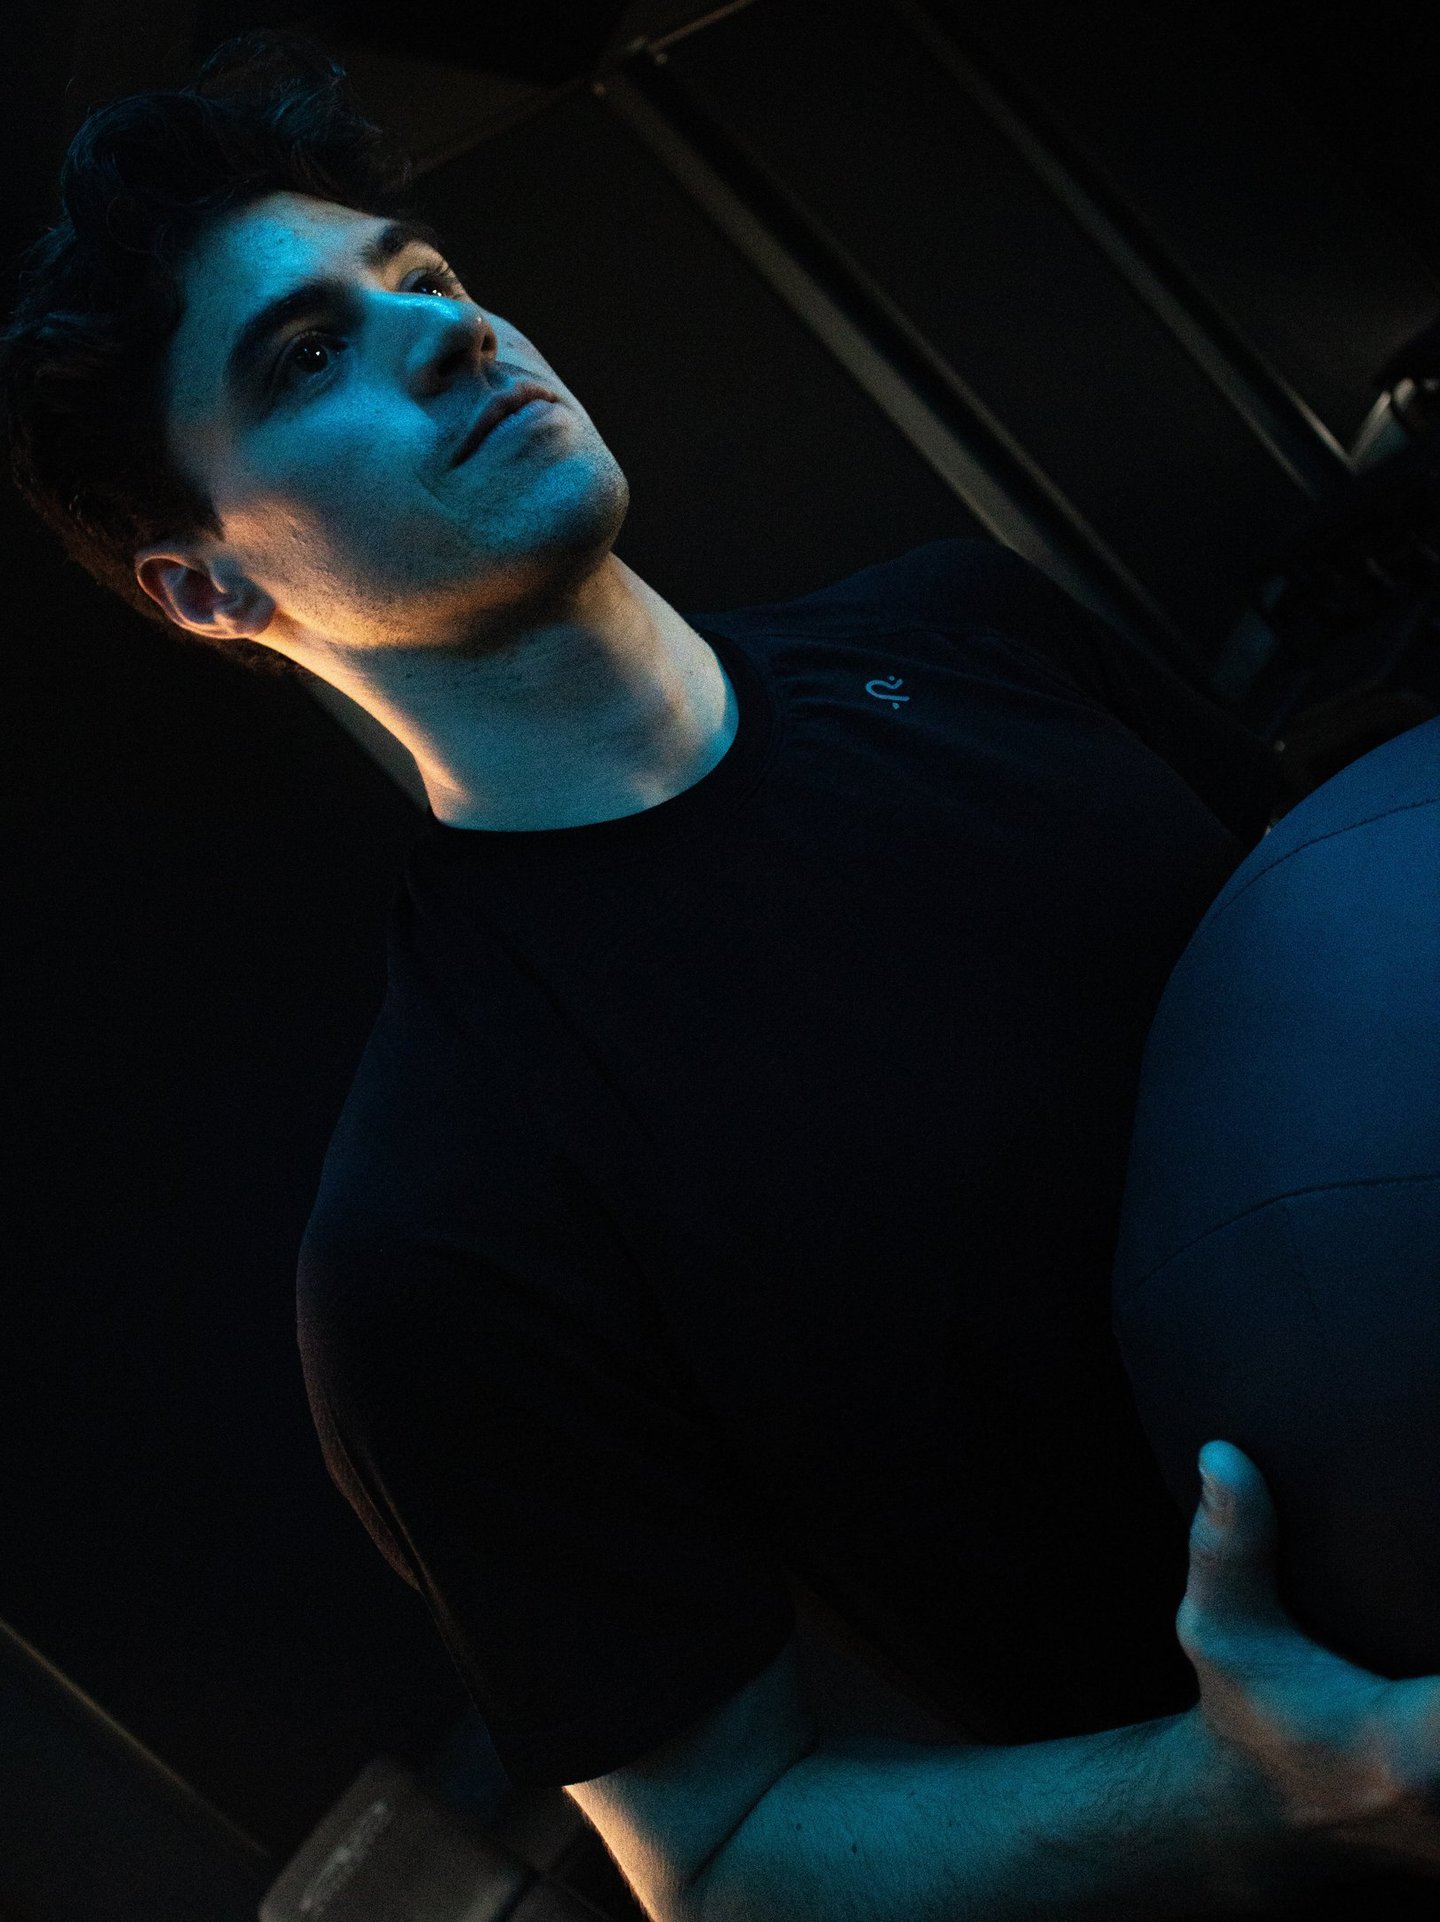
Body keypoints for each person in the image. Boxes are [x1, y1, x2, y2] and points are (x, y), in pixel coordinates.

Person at [5, 27, 1440, 1920]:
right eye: (306, 358)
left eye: (420, 274)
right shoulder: (438, 1222)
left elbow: (1365, 954)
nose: (443, 330)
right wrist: (1257, 1788)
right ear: (212, 587)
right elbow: (721, 1851)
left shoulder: (968, 624)